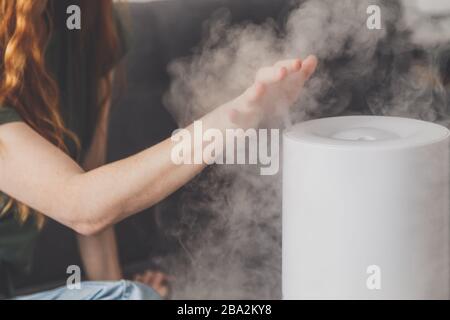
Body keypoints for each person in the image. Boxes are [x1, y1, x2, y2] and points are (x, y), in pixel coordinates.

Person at [0, 0, 317, 300]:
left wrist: (117, 287)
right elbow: (82, 205)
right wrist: (231, 121)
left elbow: (95, 180)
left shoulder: (91, 22)